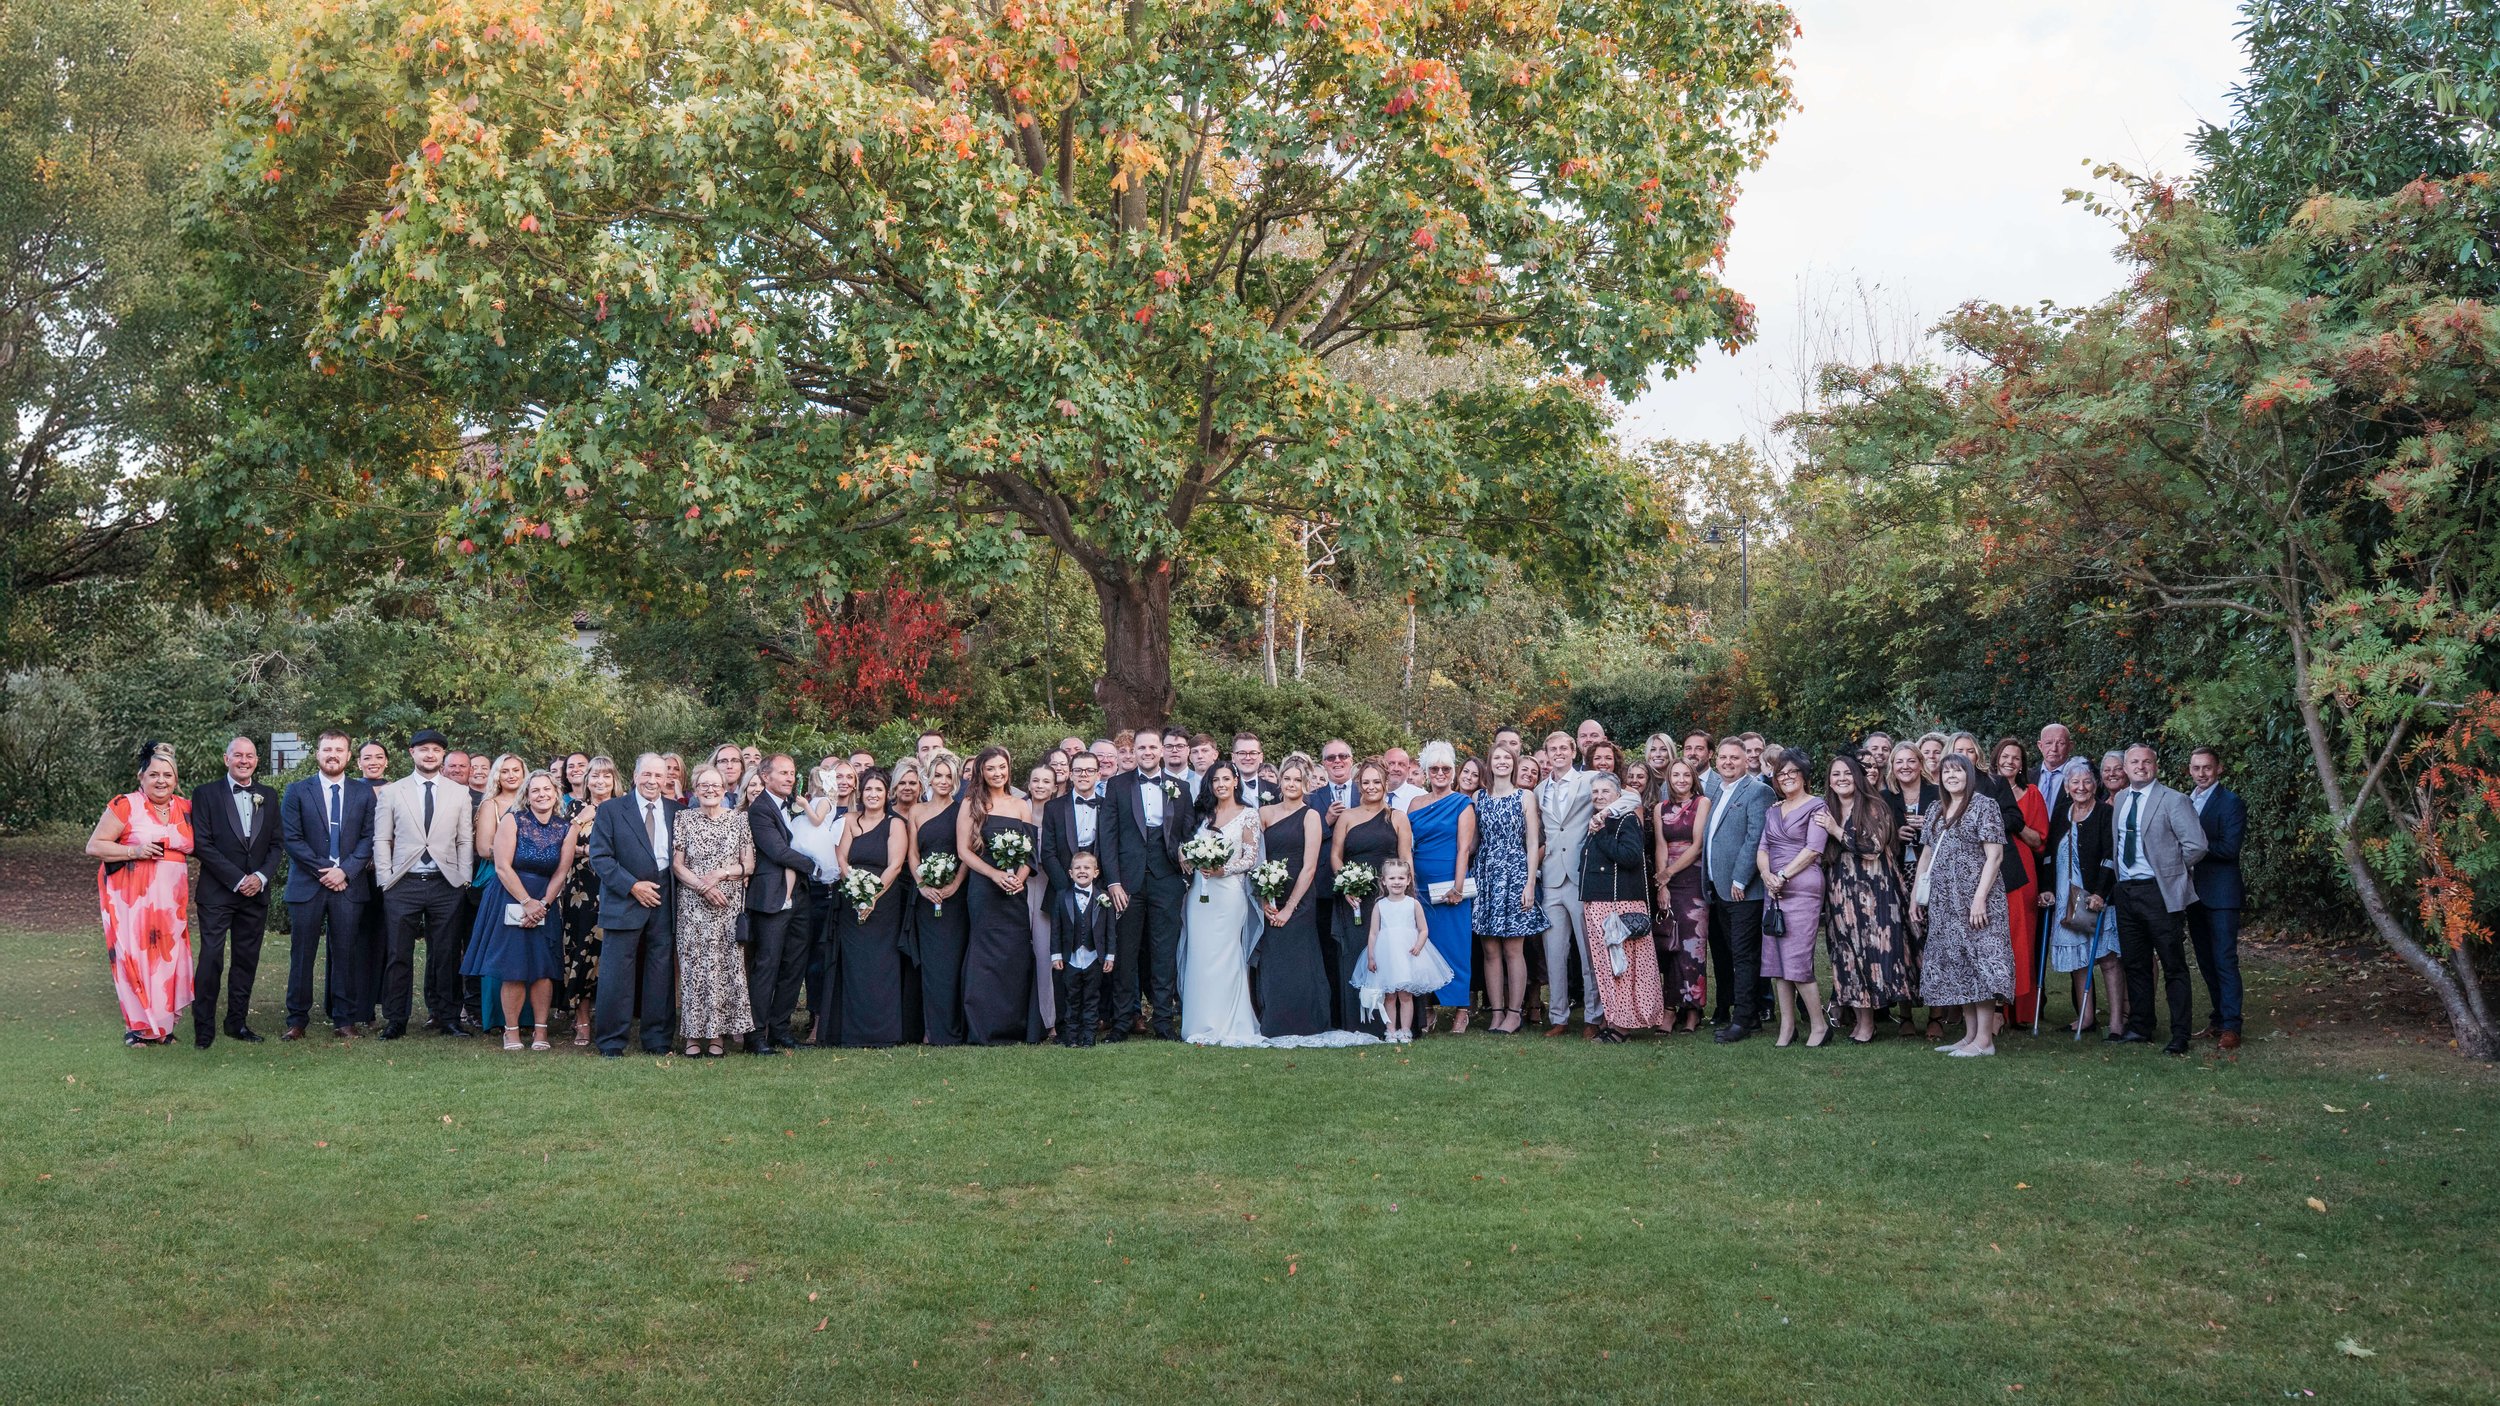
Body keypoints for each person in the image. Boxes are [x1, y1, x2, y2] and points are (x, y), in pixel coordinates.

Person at [88, 741, 196, 1046]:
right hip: (131, 898)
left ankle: (163, 1029)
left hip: (171, 900)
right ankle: (137, 1029)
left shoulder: (186, 808)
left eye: (167, 775)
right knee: (135, 958)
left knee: (167, 959)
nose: (161, 780)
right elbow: (95, 846)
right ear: (141, 777)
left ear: (176, 779)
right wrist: (134, 851)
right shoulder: (126, 804)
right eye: (154, 774)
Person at [372, 728, 475, 1039]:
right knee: (398, 954)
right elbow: (382, 838)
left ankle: (448, 1018)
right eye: (424, 749)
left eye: (436, 750)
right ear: (412, 752)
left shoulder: (459, 793)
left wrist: (463, 877)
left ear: (442, 755)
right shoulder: (393, 792)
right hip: (403, 882)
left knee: (446, 954)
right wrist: (385, 878)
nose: (430, 754)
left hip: (446, 883)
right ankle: (396, 1019)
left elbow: (464, 839)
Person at [463, 770, 576, 1050]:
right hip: (510, 896)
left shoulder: (567, 828)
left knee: (543, 968)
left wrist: (544, 904)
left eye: (547, 789)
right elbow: (502, 866)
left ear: (556, 794)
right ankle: (511, 1031)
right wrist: (527, 902)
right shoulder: (513, 820)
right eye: (535, 790)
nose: (542, 795)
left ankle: (541, 1031)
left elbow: (561, 872)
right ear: (527, 795)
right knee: (512, 966)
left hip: (546, 900)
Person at [1910, 755, 2014, 1057]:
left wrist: (1979, 898)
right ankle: (1970, 1036)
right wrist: (1916, 896)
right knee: (1960, 966)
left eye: (1958, 771)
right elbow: (1926, 855)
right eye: (1947, 772)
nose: (1952, 776)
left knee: (1981, 964)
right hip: (1945, 901)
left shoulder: (1984, 806)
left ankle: (1984, 1040)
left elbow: (1995, 856)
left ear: (1969, 775)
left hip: (1978, 900)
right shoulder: (1936, 809)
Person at [2108, 743, 2208, 1054]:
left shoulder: (2174, 800)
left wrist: (2170, 871)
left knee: (2173, 964)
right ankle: (2141, 1026)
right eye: (2134, 762)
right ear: (2126, 768)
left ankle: (2180, 1034)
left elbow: (2197, 845)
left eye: (2146, 762)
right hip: (2126, 891)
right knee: (2135, 964)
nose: (2140, 767)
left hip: (2159, 891)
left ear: (2155, 766)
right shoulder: (2121, 799)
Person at [279, 731, 378, 1040]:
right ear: (317, 754)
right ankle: (297, 1020)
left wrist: (345, 871)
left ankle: (344, 1020)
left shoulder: (363, 793)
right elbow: (291, 838)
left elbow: (369, 837)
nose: (332, 754)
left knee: (346, 953)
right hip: (307, 884)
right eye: (327, 749)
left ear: (349, 756)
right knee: (302, 954)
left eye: (339, 749)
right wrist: (326, 870)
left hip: (348, 886)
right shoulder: (297, 791)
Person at [583, 753, 679, 1056]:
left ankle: (658, 1040)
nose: (652, 781)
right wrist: (633, 886)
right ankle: (611, 1041)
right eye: (646, 774)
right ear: (635, 776)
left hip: (665, 897)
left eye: (658, 775)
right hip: (624, 897)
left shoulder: (678, 811)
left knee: (660, 971)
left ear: (666, 779)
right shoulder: (611, 810)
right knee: (616, 973)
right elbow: (600, 857)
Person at [190, 736, 279, 1047]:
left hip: (256, 894)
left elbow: (276, 844)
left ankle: (236, 1023)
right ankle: (204, 1029)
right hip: (217, 893)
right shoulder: (205, 794)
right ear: (226, 759)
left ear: (256, 760)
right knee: (211, 958)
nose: (244, 760)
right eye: (238, 755)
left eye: (250, 756)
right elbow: (202, 844)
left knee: (246, 960)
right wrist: (238, 879)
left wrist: (260, 877)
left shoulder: (268, 795)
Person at [1817, 753, 1910, 1044]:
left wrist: (1835, 830)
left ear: (1857, 777)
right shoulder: (1827, 808)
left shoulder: (1874, 806)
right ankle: (1860, 1020)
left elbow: (1872, 847)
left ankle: (1870, 1023)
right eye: (1835, 774)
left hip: (1874, 893)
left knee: (1870, 955)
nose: (1841, 779)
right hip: (1839, 893)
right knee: (1846, 955)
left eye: (1847, 773)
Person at [1106, 729, 1190, 1039]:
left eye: (1153, 747)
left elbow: (1187, 833)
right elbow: (1108, 836)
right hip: (1127, 883)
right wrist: (1113, 881)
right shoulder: (1117, 786)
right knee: (1125, 953)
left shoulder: (1180, 788)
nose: (1147, 752)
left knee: (1164, 953)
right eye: (1141, 747)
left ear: (1162, 751)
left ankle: (1164, 1021)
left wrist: (1185, 867)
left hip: (1167, 880)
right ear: (1134, 751)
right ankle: (1122, 1022)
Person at [1177, 761, 1266, 1046]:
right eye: (1216, 780)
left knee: (1226, 953)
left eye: (1226, 779)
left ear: (1236, 781)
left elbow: (1250, 858)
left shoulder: (1248, 815)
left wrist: (1222, 869)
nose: (1221, 785)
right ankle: (1199, 1021)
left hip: (1229, 893)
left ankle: (1231, 1021)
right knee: (1200, 953)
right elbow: (1185, 843)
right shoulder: (1203, 815)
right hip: (1199, 894)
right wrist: (1185, 854)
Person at [959, 746, 1042, 1044]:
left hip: (1014, 892)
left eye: (1002, 767)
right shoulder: (971, 804)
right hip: (984, 889)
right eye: (991, 768)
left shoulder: (1021, 805)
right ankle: (984, 1026)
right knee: (985, 956)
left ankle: (1017, 1026)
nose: (997, 773)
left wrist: (1020, 879)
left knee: (1015, 953)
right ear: (981, 772)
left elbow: (1031, 851)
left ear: (1009, 769)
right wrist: (994, 875)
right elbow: (964, 851)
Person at [671, 765, 755, 1057]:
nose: (710, 790)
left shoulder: (739, 819)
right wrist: (703, 887)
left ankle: (718, 1036)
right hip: (693, 905)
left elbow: (749, 864)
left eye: (715, 785)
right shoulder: (684, 818)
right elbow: (677, 864)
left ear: (724, 789)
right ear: (695, 789)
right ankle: (693, 1035)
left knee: (723, 969)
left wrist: (721, 873)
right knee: (694, 969)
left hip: (727, 906)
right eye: (704, 785)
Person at [1753, 752, 1830, 1048]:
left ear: (1804, 775)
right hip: (1773, 889)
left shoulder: (1817, 806)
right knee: (1776, 960)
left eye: (1792, 772)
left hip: (1802, 888)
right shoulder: (1773, 811)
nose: (1786, 777)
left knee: (1797, 960)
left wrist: (1783, 875)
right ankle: (1787, 1026)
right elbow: (1762, 848)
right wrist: (1766, 875)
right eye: (1781, 773)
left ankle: (1819, 1025)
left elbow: (1813, 849)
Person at [1579, 772, 1664, 1040]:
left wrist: (1602, 833)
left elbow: (1630, 857)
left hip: (1618, 903)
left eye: (1605, 791)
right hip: (1598, 902)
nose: (1599, 796)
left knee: (1621, 966)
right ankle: (1613, 1018)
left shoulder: (1626, 819)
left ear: (1618, 795)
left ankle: (1622, 1027)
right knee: (1606, 966)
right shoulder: (1600, 820)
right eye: (1595, 792)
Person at [1254, 755, 1334, 1038]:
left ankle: (1304, 1022)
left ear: (1306, 784)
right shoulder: (1264, 812)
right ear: (1279, 781)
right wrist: (1264, 898)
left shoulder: (1310, 816)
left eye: (1297, 780)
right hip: (1270, 893)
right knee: (1273, 959)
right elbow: (1257, 859)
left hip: (1299, 897)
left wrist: (1289, 907)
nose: (1291, 784)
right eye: (1286, 779)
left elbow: (1309, 866)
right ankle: (1273, 1022)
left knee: (1298, 959)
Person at [1330, 761, 1412, 1035]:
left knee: (1391, 956)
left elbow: (1406, 858)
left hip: (1390, 898)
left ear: (1385, 784)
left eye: (1377, 781)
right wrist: (1346, 885)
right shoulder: (1347, 817)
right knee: (1358, 955)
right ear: (1359, 785)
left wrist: (1405, 893)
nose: (1371, 787)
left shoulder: (1397, 817)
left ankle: (1392, 1025)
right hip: (1355, 899)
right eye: (1366, 782)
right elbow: (1335, 856)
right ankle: (1358, 1022)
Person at [2042, 762, 2122, 1036]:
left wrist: (2100, 893)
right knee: (2078, 961)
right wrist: (2047, 888)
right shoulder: (2061, 813)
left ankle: (2116, 1022)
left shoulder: (2104, 813)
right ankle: (2085, 1017)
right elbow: (2049, 855)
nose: (2081, 787)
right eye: (2075, 782)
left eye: (2087, 781)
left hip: (2095, 896)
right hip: (2066, 896)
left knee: (2108, 959)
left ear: (2095, 785)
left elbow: (2110, 856)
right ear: (2067, 787)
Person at [1470, 746, 1545, 1035]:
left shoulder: (1525, 796)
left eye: (1507, 758)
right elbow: (1474, 841)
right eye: (1497, 758)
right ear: (1489, 764)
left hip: (1515, 873)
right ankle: (1496, 1012)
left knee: (1514, 948)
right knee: (1490, 949)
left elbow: (1532, 843)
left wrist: (1530, 883)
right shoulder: (1479, 797)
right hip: (1486, 875)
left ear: (1513, 764)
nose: (1502, 762)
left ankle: (1514, 1013)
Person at [1702, 737, 1772, 1042]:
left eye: (1734, 757)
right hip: (1719, 888)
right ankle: (1751, 1014)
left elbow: (1755, 838)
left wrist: (1740, 879)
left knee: (1744, 956)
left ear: (1746, 761)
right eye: (1724, 757)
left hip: (1743, 890)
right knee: (1734, 954)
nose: (1728, 762)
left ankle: (1742, 1019)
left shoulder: (1758, 792)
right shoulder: (1718, 790)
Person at [834, 770, 909, 1048]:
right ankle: (853, 1032)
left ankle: (884, 1032)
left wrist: (872, 896)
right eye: (868, 789)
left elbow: (895, 865)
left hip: (884, 902)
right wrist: (856, 891)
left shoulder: (895, 824)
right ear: (860, 793)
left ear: (887, 794)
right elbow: (841, 858)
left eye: (879, 789)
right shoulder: (848, 820)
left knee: (881, 965)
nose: (873, 794)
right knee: (855, 965)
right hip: (850, 900)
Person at [1406, 742, 1477, 1033]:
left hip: (1450, 882)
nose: (1440, 773)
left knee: (1456, 946)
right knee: (1424, 945)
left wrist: (1457, 887)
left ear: (1453, 772)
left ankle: (1461, 1009)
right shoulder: (1414, 804)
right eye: (1434, 768)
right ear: (1426, 772)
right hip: (1420, 885)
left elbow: (1464, 848)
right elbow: (1408, 846)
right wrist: (1410, 883)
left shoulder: (1462, 803)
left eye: (1445, 768)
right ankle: (1427, 1008)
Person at [743, 754, 810, 1054]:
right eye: (783, 773)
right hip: (771, 896)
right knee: (767, 965)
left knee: (794, 964)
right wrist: (817, 865)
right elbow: (778, 851)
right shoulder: (759, 810)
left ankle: (780, 1030)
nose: (789, 778)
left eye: (792, 773)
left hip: (800, 896)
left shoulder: (796, 805)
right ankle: (755, 1035)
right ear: (765, 776)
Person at [1533, 730, 1596, 1034]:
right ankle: (1558, 1017)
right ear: (1546, 755)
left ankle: (1594, 1017)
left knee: (1587, 951)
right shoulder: (1538, 790)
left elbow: (1629, 796)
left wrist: (1604, 814)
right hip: (1551, 877)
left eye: (1563, 748)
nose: (1558, 753)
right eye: (1552, 749)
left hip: (1580, 875)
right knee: (1554, 954)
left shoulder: (1589, 779)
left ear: (1573, 751)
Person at [906, 750, 970, 1045]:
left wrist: (955, 884)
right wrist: (922, 885)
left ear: (955, 780)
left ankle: (955, 1028)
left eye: (949, 776)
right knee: (931, 964)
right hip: (926, 896)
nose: (943, 781)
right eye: (938, 776)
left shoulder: (962, 810)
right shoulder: (916, 811)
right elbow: (912, 854)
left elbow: (967, 852)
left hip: (955, 898)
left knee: (953, 962)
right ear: (928, 778)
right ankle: (931, 1029)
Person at [2186, 746, 2247, 1051]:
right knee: (2206, 961)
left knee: (2224, 959)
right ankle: (2218, 1018)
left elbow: (2229, 848)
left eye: (2207, 767)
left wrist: (2192, 845)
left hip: (2222, 894)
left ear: (2219, 769)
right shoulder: (2186, 801)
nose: (2202, 773)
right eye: (2196, 768)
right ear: (2190, 770)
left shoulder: (2231, 803)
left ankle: (2232, 1025)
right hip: (2193, 894)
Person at [1991, 735, 2050, 1027]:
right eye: (2005, 756)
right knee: (1994, 935)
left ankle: (2020, 1011)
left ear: (2022, 764)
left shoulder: (2032, 794)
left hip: (2022, 871)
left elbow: (2039, 840)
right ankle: (1993, 1009)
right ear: (1995, 759)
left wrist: (2017, 824)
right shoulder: (1985, 790)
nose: (2010, 762)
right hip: (1990, 868)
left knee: (2021, 936)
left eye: (2016, 758)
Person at [557, 755, 617, 1045]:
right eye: (595, 775)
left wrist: (590, 850)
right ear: (586, 779)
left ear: (614, 780)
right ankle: (581, 1019)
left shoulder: (623, 808)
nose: (600, 781)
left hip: (614, 889)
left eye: (606, 776)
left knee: (608, 955)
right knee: (581, 951)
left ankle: (607, 1017)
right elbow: (561, 849)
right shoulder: (574, 809)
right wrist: (581, 821)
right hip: (580, 892)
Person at [1357, 859, 1451, 1043]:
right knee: (1389, 995)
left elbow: (1423, 929)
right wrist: (1371, 956)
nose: (1397, 882)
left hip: (1408, 954)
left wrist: (1418, 945)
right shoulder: (1380, 905)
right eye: (1392, 878)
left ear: (1408, 880)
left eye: (1401, 878)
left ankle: (1406, 1030)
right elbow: (1374, 933)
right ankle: (1390, 1030)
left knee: (1405, 994)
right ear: (1384, 881)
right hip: (1387, 955)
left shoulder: (1413, 904)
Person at [789, 762, 850, 1046]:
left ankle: (826, 1020)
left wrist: (804, 805)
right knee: (807, 955)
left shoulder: (828, 806)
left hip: (830, 886)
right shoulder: (811, 802)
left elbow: (816, 822)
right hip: (804, 884)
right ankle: (808, 1018)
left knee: (823, 956)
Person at [1883, 740, 1939, 1038]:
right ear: (1892, 767)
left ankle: (1936, 1016)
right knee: (1901, 942)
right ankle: (1904, 1014)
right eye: (1899, 762)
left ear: (1920, 764)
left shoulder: (1937, 794)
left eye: (1910, 761)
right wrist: (1897, 834)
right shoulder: (1885, 797)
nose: (1905, 767)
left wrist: (1928, 827)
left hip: (1931, 876)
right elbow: (1877, 837)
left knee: (1932, 941)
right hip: (1897, 876)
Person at [1651, 759, 1711, 1032]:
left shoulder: (1702, 803)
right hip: (1668, 882)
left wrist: (1669, 873)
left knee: (1693, 946)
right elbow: (1661, 846)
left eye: (1686, 774)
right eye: (1676, 775)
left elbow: (1697, 845)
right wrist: (1662, 884)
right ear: (1669, 778)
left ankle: (1693, 1010)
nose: (1681, 779)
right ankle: (1670, 1008)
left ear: (1693, 777)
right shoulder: (1660, 808)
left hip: (1693, 881)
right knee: (1670, 945)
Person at [1051, 849, 1117, 1046]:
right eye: (1077, 868)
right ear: (1070, 873)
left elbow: (1110, 930)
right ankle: (1071, 1037)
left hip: (1094, 957)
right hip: (1070, 958)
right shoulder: (1062, 897)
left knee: (1091, 999)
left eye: (1087, 868)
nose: (1082, 871)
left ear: (1095, 873)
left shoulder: (1104, 897)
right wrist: (1056, 955)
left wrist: (1110, 955)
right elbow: (1056, 928)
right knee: (1071, 998)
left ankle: (1089, 1037)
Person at [1025, 761, 1061, 1036]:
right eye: (1035, 780)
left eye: (1046, 781)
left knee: (1044, 953)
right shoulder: (1017, 809)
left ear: (1054, 786)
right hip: (1019, 885)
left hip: (1048, 885)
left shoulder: (1059, 813)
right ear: (1028, 784)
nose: (1040, 786)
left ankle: (1048, 1020)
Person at [1381, 747, 1425, 811]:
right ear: (1382, 766)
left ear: (1408, 769)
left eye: (1401, 764)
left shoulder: (1421, 797)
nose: (1396, 769)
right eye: (1391, 764)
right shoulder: (1371, 794)